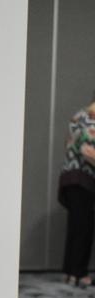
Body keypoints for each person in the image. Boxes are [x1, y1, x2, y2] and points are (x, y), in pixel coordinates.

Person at [59, 95, 95, 286]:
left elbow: (69, 142)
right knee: (84, 227)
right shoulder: (91, 117)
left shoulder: (78, 115)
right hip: (82, 177)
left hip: (69, 175)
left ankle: (70, 272)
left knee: (76, 226)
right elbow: (87, 151)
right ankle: (80, 274)